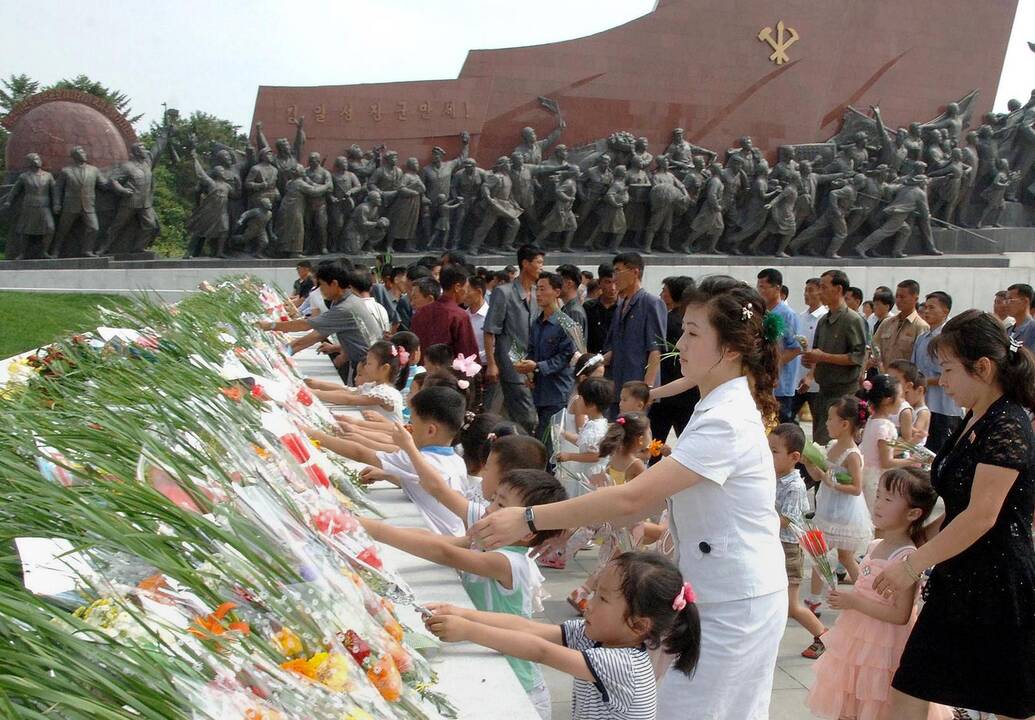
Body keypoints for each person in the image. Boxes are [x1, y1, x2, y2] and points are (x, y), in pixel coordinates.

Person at [471, 276, 789, 720]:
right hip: (713, 586)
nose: (680, 342)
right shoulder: (716, 402)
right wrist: (562, 529)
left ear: (732, 349)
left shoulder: (728, 418)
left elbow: (632, 498)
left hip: (734, 597)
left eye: (694, 333)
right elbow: (639, 505)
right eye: (684, 329)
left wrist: (530, 517)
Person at [874, 310, 1035, 719]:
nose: (941, 381)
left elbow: (982, 515)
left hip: (997, 583)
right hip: (958, 575)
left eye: (947, 369)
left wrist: (911, 566)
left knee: (1010, 702)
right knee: (911, 684)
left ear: (982, 368)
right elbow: (959, 504)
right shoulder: (976, 416)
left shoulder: (1008, 423)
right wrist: (912, 539)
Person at [363, 469, 566, 718]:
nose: (489, 509)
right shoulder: (486, 542)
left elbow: (444, 553)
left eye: (501, 505)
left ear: (527, 532)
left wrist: (370, 529)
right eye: (493, 499)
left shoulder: (508, 561)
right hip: (490, 658)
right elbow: (437, 540)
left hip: (519, 682)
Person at [427, 551, 699, 719]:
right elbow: (529, 628)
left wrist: (469, 631)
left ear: (638, 626)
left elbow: (540, 650)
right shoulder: (597, 635)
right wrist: (462, 613)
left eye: (603, 598)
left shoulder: (624, 665)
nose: (589, 603)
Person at [808, 469, 948, 720]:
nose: (878, 504)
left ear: (913, 513)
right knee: (850, 699)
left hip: (884, 644)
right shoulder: (875, 545)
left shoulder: (905, 556)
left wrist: (853, 601)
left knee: (875, 702)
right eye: (878, 495)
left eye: (888, 499)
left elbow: (901, 614)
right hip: (859, 636)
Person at [311, 386, 470, 536]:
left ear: (430, 430)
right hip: (454, 533)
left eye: (412, 423)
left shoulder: (418, 458)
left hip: (438, 537)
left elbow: (360, 453)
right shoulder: (456, 460)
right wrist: (388, 475)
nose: (409, 427)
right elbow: (422, 483)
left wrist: (310, 433)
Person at [802, 396, 871, 629]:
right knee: (826, 555)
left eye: (831, 418)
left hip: (843, 513)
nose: (826, 423)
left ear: (845, 424)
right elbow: (817, 475)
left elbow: (856, 488)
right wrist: (810, 462)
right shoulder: (832, 447)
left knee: (833, 555)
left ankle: (864, 595)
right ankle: (815, 599)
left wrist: (829, 482)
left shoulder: (851, 454)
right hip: (828, 509)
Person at [258, 261, 381, 384]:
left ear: (334, 284)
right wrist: (287, 350)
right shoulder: (344, 301)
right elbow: (319, 334)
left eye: (321, 285)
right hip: (366, 364)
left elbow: (305, 325)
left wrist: (270, 326)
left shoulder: (345, 307)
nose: (320, 290)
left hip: (369, 368)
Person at [769, 423, 828, 657]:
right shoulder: (771, 476)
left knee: (792, 605)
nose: (768, 455)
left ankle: (824, 635)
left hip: (789, 549)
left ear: (794, 457)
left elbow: (788, 519)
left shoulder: (794, 485)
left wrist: (757, 518)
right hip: (773, 547)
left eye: (774, 451)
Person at [484, 245, 543, 434]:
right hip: (513, 362)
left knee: (525, 416)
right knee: (527, 417)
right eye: (539, 263)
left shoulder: (537, 293)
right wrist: (492, 364)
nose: (542, 267)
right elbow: (490, 330)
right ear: (525, 264)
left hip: (533, 364)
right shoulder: (504, 292)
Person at [515, 272, 576, 456]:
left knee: (549, 442)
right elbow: (532, 350)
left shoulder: (566, 323)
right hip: (540, 391)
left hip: (557, 392)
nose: (538, 294)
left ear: (557, 292)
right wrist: (529, 373)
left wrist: (537, 367)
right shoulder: (537, 322)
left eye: (542, 289)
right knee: (541, 438)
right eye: (536, 289)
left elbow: (566, 356)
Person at [804, 270, 867, 445]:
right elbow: (817, 353)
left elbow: (857, 357)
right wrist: (811, 364)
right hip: (823, 391)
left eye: (823, 287)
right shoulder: (823, 320)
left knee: (832, 443)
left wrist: (823, 357)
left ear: (838, 289)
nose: (819, 292)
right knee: (819, 442)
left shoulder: (852, 320)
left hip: (843, 394)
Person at [603, 253, 666, 418]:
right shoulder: (620, 305)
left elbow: (656, 349)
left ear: (635, 272)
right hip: (617, 386)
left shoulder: (651, 303)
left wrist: (648, 388)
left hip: (637, 390)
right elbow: (615, 346)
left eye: (618, 271)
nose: (614, 277)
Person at [650, 277, 699, 456]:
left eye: (665, 290)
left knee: (655, 443)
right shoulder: (687, 322)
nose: (662, 294)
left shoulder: (668, 321)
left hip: (668, 392)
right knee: (688, 443)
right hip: (687, 394)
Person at [859, 374, 920, 513]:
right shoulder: (884, 426)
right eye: (900, 396)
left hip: (867, 474)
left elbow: (884, 450)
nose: (902, 400)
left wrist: (912, 443)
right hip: (876, 479)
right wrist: (910, 460)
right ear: (887, 400)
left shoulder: (873, 420)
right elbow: (886, 461)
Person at [305, 340, 409, 421]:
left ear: (385, 368)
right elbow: (348, 391)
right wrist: (315, 384)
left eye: (369, 364)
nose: (366, 367)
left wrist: (313, 392)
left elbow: (350, 399)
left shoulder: (386, 393)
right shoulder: (373, 386)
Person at [912, 291, 963, 453]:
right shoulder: (922, 338)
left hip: (944, 406)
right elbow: (914, 368)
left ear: (945, 311)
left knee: (940, 451)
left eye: (932, 308)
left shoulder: (950, 339)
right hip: (923, 405)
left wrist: (923, 381)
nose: (926, 311)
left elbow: (951, 373)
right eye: (925, 307)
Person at [757, 268, 802, 423]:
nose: (760, 291)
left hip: (781, 384)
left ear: (777, 288)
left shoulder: (787, 314)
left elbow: (796, 348)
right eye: (759, 287)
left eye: (764, 287)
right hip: (761, 382)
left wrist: (774, 365)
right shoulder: (760, 312)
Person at [410, 264, 479, 361]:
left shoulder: (420, 313)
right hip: (448, 373)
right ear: (457, 287)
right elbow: (467, 354)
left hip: (422, 372)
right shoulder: (459, 315)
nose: (467, 292)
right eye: (466, 287)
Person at [556, 377, 614, 488]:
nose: (577, 399)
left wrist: (569, 456)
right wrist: (563, 433)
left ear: (591, 405)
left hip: (592, 473)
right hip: (586, 469)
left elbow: (595, 456)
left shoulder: (596, 429)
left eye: (581, 398)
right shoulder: (592, 423)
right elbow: (582, 442)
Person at [794, 277, 827, 426]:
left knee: (820, 425)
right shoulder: (800, 317)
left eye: (811, 290)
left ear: (821, 291)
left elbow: (822, 349)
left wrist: (810, 376)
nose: (806, 294)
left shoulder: (825, 318)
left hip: (816, 383)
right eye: (805, 290)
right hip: (797, 380)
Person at [874, 280, 929, 368]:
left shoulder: (921, 326)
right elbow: (875, 345)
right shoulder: (887, 323)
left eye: (902, 297)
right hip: (885, 376)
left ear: (915, 299)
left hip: (906, 379)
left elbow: (921, 360)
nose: (898, 300)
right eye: (897, 296)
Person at [887, 360, 926, 444]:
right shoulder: (884, 402)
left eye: (895, 381)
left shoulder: (904, 410)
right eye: (887, 379)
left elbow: (906, 441)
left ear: (908, 386)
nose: (889, 384)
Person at [583, 263, 618, 355]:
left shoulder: (625, 309)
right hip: (593, 362)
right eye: (608, 282)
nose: (613, 288)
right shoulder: (588, 308)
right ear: (599, 283)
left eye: (615, 282)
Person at [555, 264, 588, 339]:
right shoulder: (568, 308)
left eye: (558, 281)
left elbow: (574, 345)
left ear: (569, 284)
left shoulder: (574, 312)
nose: (555, 285)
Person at [465, 275, 490, 365]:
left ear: (479, 291)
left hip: (486, 365)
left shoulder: (490, 316)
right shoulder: (463, 316)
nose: (464, 295)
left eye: (467, 291)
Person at [1006, 282, 1035, 349]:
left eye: (1010, 300)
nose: (1006, 304)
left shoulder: (1032, 329)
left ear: (1025, 301)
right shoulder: (1008, 330)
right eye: (1006, 300)